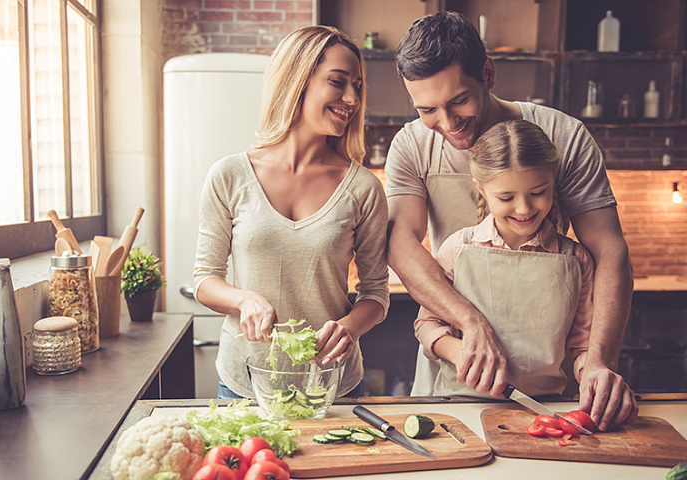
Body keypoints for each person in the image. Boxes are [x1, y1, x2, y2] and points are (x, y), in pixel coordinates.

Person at [386, 11, 636, 430]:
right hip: (457, 377)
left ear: (488, 72)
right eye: (428, 109)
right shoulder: (411, 145)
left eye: (459, 99)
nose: (447, 124)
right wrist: (468, 322)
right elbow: (399, 244)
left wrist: (597, 362)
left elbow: (608, 250)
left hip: (550, 391)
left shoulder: (565, 136)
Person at [193, 25, 389, 399]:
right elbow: (205, 279)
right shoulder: (230, 175)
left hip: (331, 384)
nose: (351, 97)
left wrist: (350, 326)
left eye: (358, 86)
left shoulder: (363, 187)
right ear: (298, 80)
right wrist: (243, 299)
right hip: (247, 383)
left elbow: (375, 295)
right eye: (338, 81)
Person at [416, 119, 602, 402]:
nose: (524, 208)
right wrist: (459, 352)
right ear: (482, 189)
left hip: (545, 406)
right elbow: (426, 324)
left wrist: (592, 372)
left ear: (553, 181)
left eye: (538, 193)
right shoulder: (457, 249)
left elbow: (583, 345)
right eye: (506, 197)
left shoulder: (577, 261)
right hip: (463, 404)